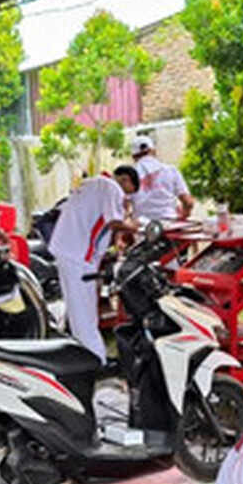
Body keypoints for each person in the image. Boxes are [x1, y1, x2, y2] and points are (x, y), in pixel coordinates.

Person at [47, 175, 137, 363]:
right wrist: (136, 226)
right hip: (78, 255)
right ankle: (96, 363)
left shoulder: (93, 183)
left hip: (68, 250)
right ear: (126, 180)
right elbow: (114, 221)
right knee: (84, 317)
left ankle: (86, 358)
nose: (125, 198)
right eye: (129, 192)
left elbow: (102, 224)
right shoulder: (112, 187)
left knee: (80, 312)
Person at [128, 135, 194, 222]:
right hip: (169, 224)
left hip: (143, 227)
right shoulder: (171, 170)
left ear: (133, 156)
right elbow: (188, 202)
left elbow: (124, 205)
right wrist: (184, 214)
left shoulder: (128, 176)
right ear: (154, 151)